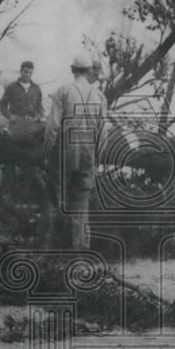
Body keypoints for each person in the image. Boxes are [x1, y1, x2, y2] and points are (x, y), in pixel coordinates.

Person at [44, 51, 107, 250]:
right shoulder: (99, 96)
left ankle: (47, 247)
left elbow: (52, 127)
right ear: (89, 71)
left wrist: (48, 153)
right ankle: (79, 249)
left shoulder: (63, 91)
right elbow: (103, 132)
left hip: (65, 149)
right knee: (81, 202)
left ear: (72, 69)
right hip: (88, 150)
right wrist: (97, 158)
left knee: (54, 197)